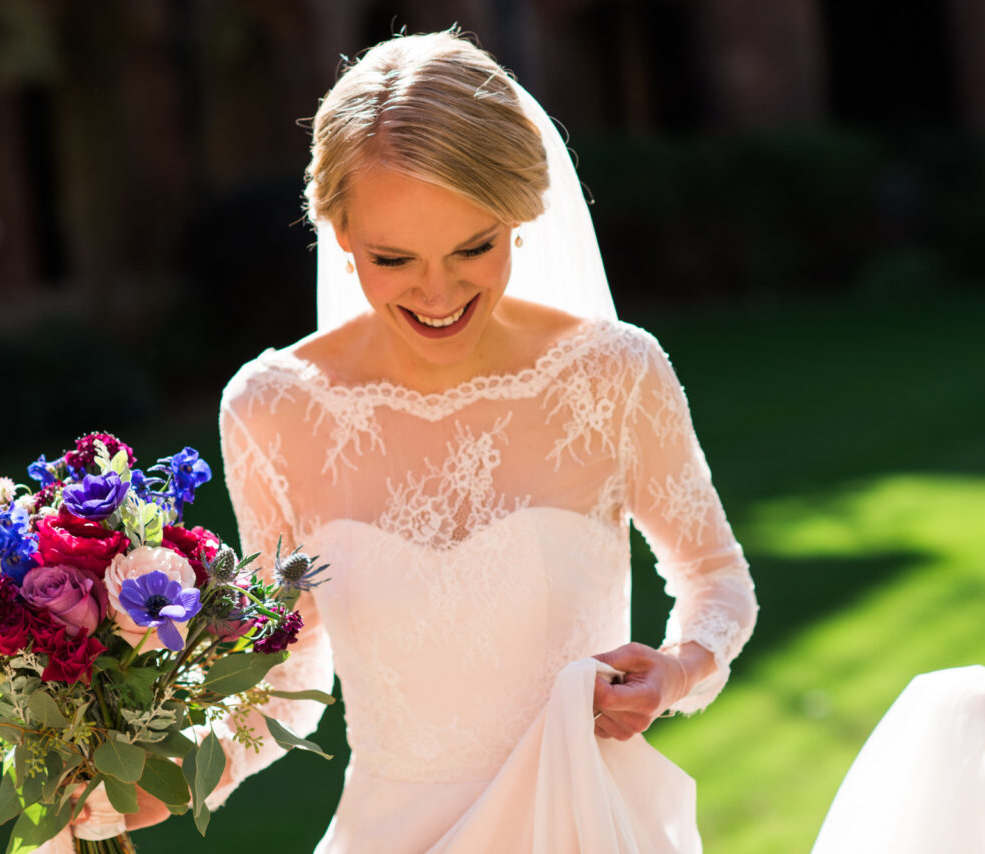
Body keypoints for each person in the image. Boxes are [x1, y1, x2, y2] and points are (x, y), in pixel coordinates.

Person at [214, 29, 758, 852]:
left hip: (579, 825)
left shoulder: (613, 373)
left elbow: (717, 577)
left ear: (521, 216)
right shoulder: (270, 410)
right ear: (338, 231)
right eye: (394, 257)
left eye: (475, 246)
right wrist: (142, 779)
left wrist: (677, 671)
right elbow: (288, 674)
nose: (438, 292)